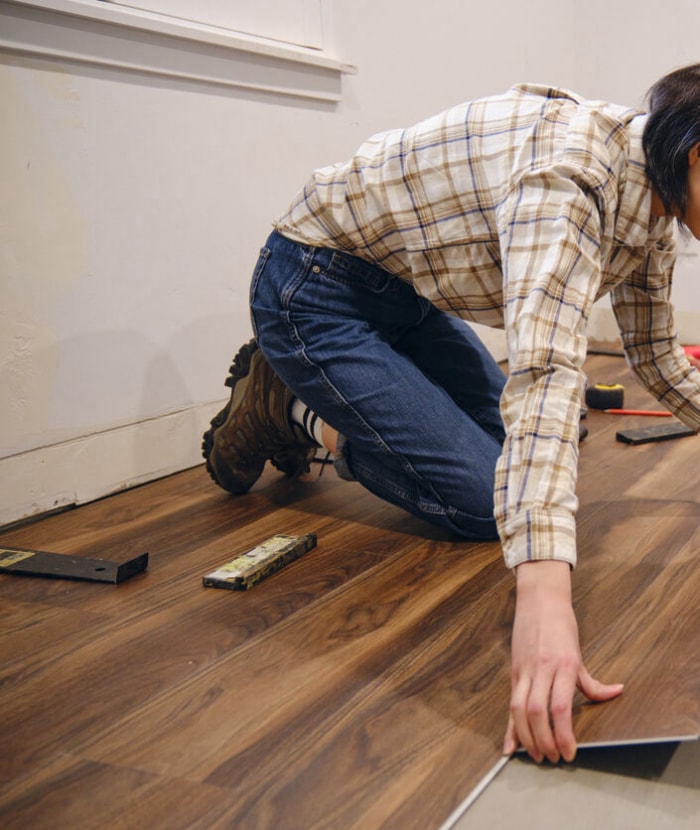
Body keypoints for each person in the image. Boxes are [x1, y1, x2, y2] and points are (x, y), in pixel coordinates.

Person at [203, 64, 700, 764]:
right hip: (313, 290)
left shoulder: (653, 193)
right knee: (481, 503)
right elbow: (545, 375)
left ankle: (314, 393)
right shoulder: (568, 180)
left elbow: (656, 356)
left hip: (401, 297)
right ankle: (287, 408)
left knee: (517, 473)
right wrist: (546, 602)